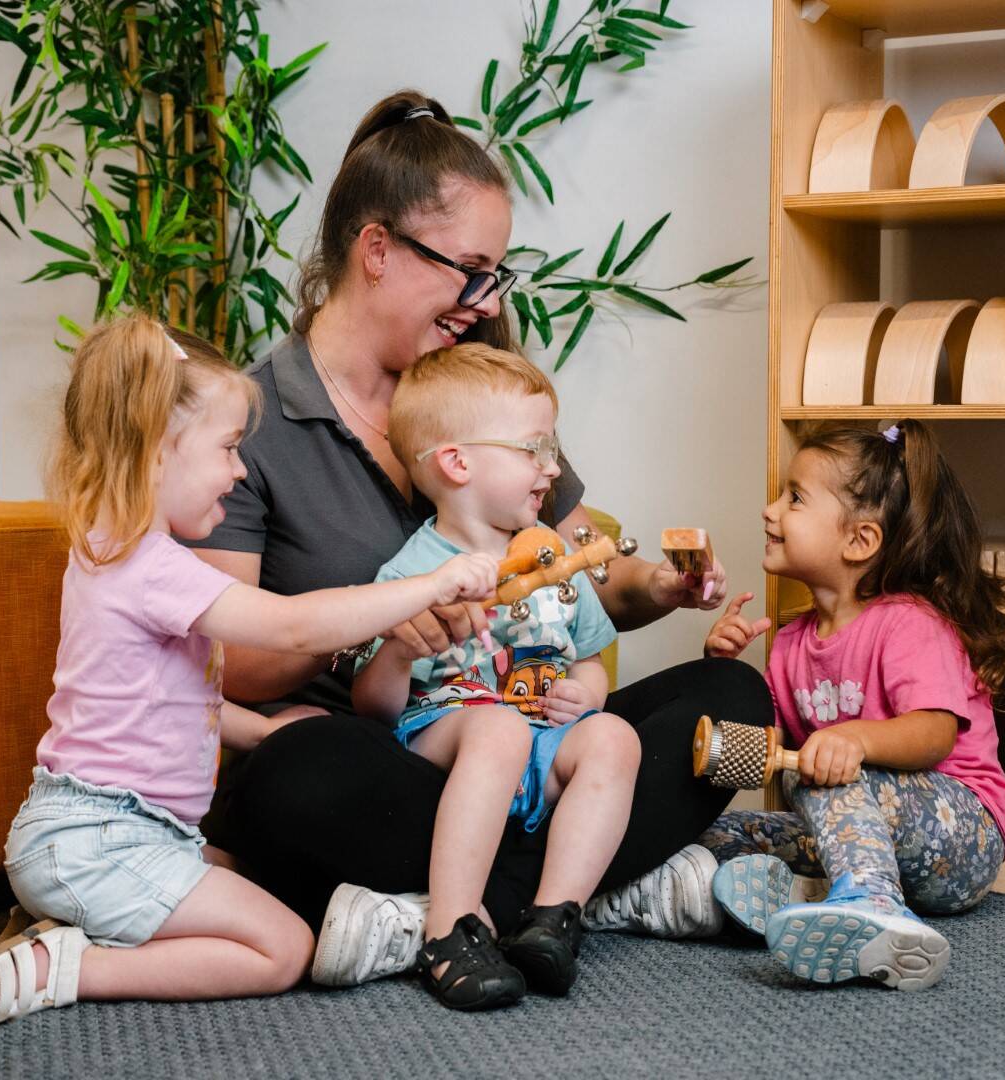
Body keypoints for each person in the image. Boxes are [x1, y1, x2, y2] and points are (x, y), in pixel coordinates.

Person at [185, 88, 775, 990]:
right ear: (376, 249)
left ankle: (441, 913)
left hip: (534, 736)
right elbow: (224, 660)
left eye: (496, 274)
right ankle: (591, 894)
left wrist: (656, 587)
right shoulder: (258, 419)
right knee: (289, 778)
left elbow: (583, 573)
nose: (483, 298)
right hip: (399, 759)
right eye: (468, 269)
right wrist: (387, 625)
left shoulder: (484, 397)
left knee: (732, 699)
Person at [0, 315, 496, 1031]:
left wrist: (261, 730)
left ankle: (68, 921)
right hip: (102, 840)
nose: (239, 470)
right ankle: (67, 968)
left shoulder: (113, 551)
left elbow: (162, 699)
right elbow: (292, 625)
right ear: (155, 453)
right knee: (283, 948)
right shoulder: (153, 566)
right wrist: (428, 585)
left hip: (104, 834)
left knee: (272, 886)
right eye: (228, 448)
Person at [352, 344, 641, 1009]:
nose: (552, 468)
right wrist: (397, 650)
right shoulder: (413, 573)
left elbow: (590, 662)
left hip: (541, 739)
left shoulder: (557, 561)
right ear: (456, 462)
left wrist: (585, 695)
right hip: (447, 744)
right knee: (497, 730)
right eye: (532, 450)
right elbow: (372, 706)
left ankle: (552, 916)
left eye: (552, 449)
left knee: (614, 737)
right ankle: (450, 927)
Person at [698, 420, 1005, 991]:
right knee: (723, 834)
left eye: (794, 498)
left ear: (859, 541)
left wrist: (856, 739)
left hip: (962, 834)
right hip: (858, 837)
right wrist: (720, 670)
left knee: (829, 779)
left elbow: (935, 734)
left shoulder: (907, 623)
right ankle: (811, 897)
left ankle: (874, 908)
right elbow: (772, 754)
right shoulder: (793, 643)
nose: (769, 511)